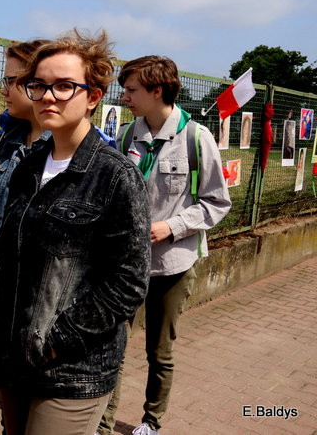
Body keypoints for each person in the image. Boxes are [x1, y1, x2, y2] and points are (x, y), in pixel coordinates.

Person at [0, 30, 151, 435]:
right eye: (38, 85)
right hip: (14, 358)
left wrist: (56, 340)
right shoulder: (29, 165)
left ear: (92, 97)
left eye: (64, 86)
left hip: (71, 368)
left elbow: (128, 283)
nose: (47, 96)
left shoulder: (115, 175)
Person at [98, 55, 232, 435]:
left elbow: (216, 202)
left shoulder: (196, 138)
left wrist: (171, 227)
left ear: (157, 91)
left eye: (131, 89)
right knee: (111, 348)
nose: (124, 96)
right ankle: (102, 425)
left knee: (159, 352)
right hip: (123, 265)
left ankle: (151, 421)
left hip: (171, 263)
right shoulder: (125, 136)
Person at [0, 39, 50, 313]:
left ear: (38, 84)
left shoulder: (69, 149)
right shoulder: (2, 141)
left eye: (11, 81)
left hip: (43, 298)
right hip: (0, 285)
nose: (3, 90)